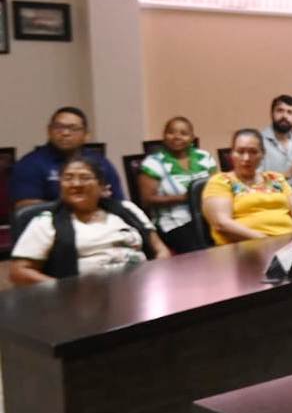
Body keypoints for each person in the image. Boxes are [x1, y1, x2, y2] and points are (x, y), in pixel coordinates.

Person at [11, 157, 171, 285]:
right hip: (85, 299)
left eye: (85, 177)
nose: (75, 184)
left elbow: (160, 249)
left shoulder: (127, 209)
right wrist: (64, 290)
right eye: (68, 178)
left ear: (102, 186)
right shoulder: (46, 222)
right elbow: (19, 272)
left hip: (142, 286)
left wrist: (157, 277)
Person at [10, 107, 127, 212]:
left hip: (99, 223)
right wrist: (79, 203)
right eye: (58, 127)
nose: (65, 133)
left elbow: (118, 201)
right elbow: (26, 209)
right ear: (49, 131)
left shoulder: (100, 162)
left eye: (73, 128)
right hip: (50, 225)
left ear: (86, 135)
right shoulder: (30, 164)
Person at [202, 128, 292, 245]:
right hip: (246, 248)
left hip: (289, 245)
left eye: (253, 152)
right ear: (232, 154)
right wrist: (268, 241)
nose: (246, 158)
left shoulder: (276, 178)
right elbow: (221, 223)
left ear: (263, 154)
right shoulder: (220, 181)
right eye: (240, 152)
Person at [138, 116, 218, 253]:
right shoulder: (153, 163)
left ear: (192, 137)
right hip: (173, 223)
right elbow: (146, 200)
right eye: (171, 132)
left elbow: (218, 186)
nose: (177, 137)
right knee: (201, 252)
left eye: (184, 133)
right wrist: (185, 198)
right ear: (164, 136)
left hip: (208, 217)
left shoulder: (204, 157)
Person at [259, 94, 292, 190]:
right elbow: (253, 184)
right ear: (272, 114)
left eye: (290, 112)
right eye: (280, 111)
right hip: (265, 197)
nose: (284, 116)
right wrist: (287, 175)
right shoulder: (257, 142)